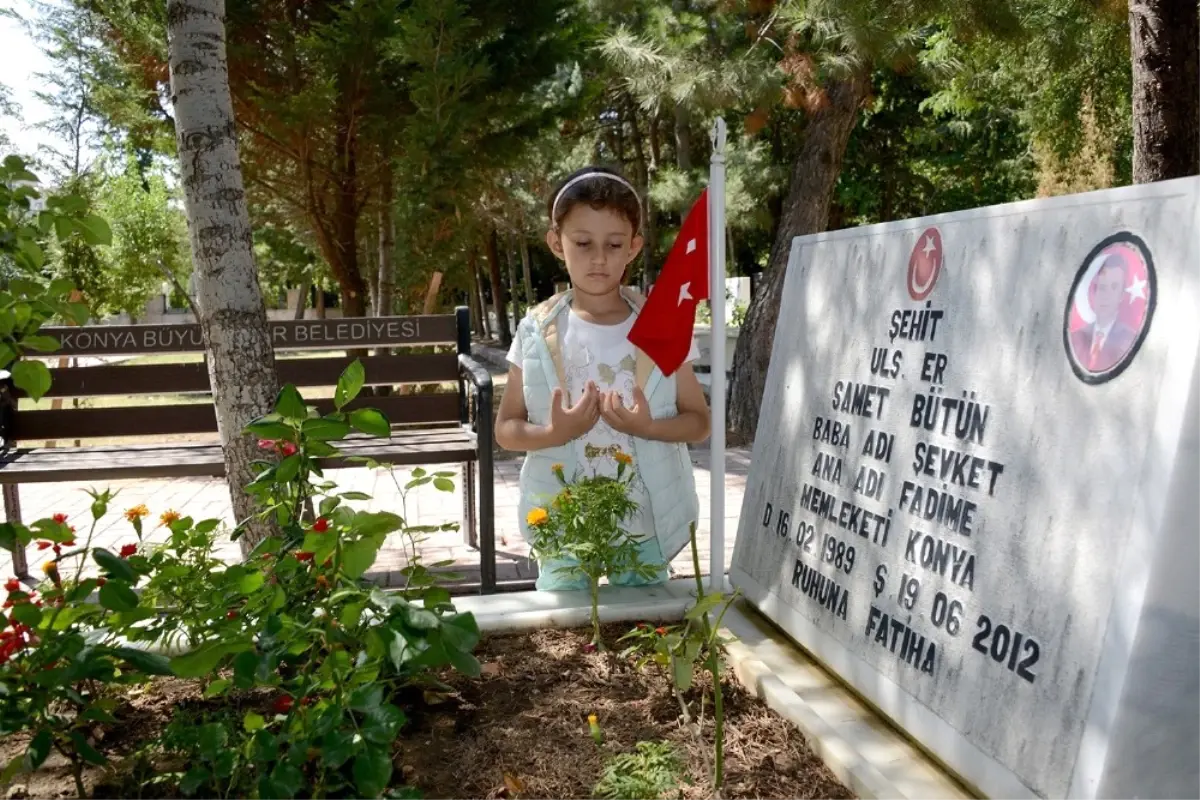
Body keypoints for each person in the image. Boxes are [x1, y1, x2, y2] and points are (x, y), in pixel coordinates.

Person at [495, 166, 711, 591]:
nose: (599, 258)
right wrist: (555, 431)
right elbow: (506, 429)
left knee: (646, 625)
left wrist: (648, 428)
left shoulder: (663, 324)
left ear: (633, 247)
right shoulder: (536, 331)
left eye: (613, 244)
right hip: (563, 518)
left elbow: (699, 421)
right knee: (568, 629)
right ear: (556, 244)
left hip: (644, 520)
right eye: (583, 243)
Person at [1071, 254, 1137, 374]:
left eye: (1114, 287)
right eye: (1102, 287)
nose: (1106, 296)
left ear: (1121, 295)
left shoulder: (1128, 341)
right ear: (1094, 292)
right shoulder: (1076, 338)